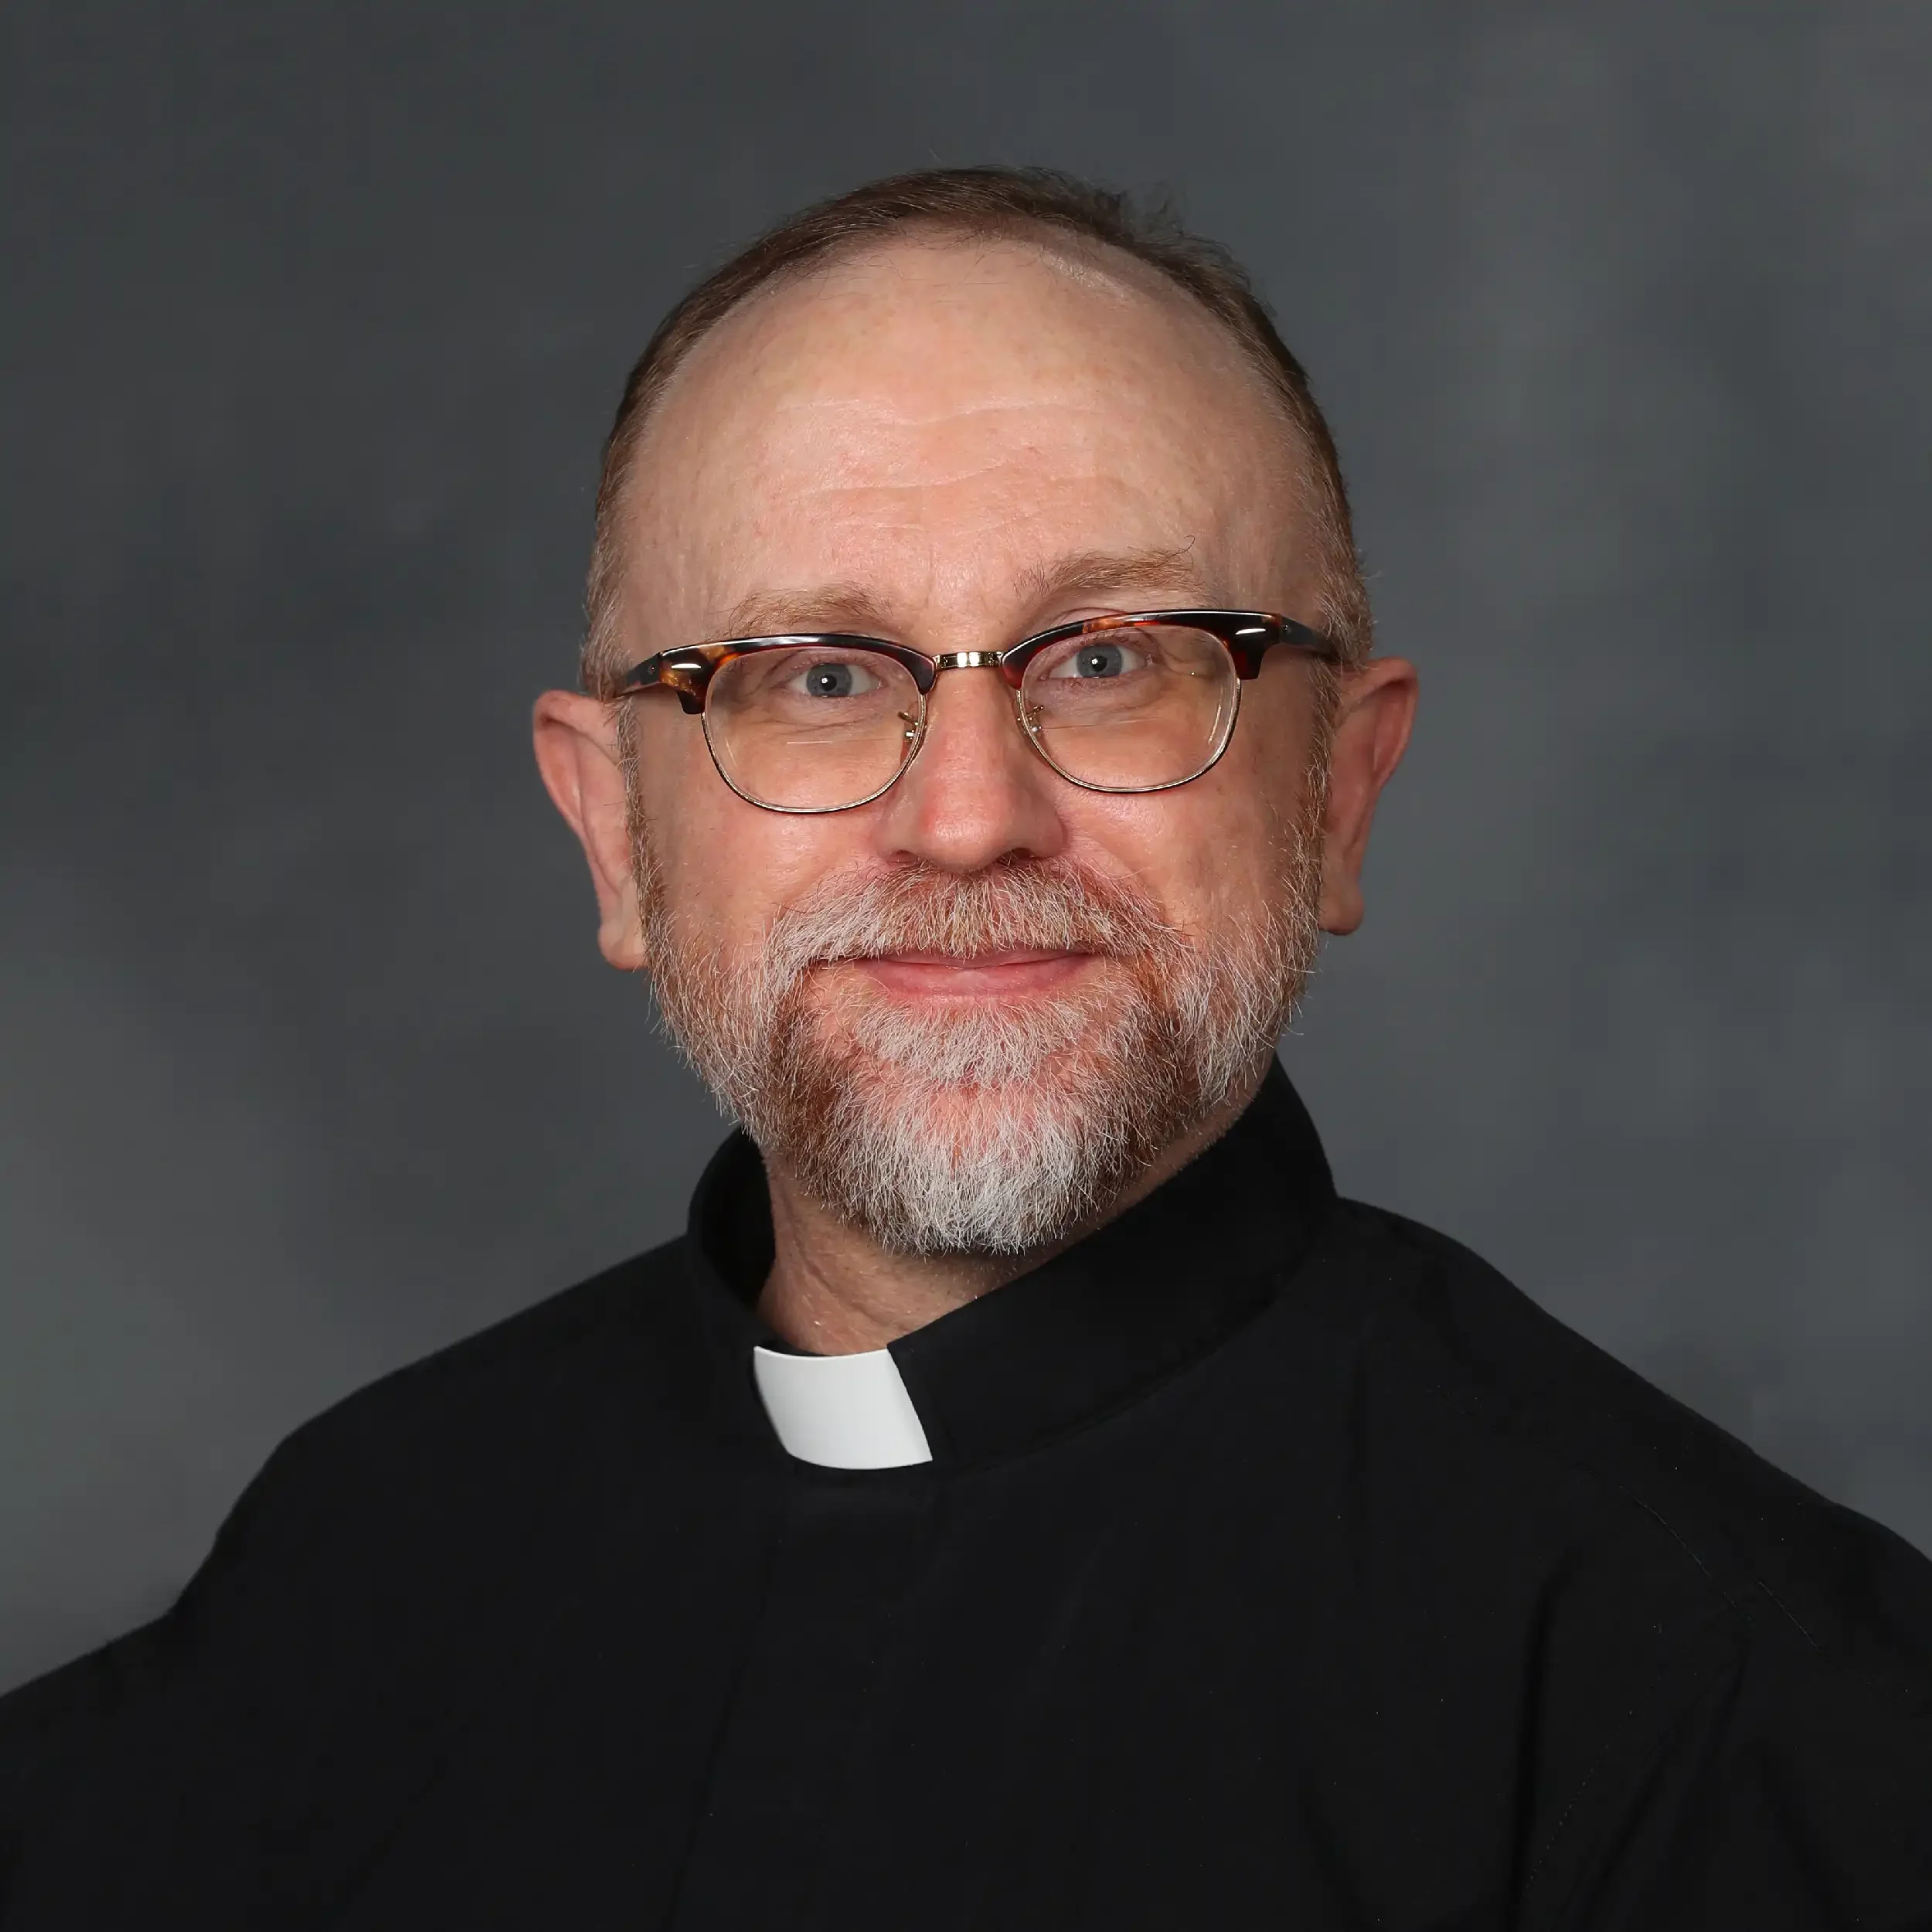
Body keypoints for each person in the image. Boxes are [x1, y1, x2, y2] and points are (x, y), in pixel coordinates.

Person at [2, 166, 1928, 1931]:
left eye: (1108, 656)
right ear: (611, 833)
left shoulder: (1744, 1705)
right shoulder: (358, 1555)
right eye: (816, 679)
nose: (964, 819)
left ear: (1337, 793)